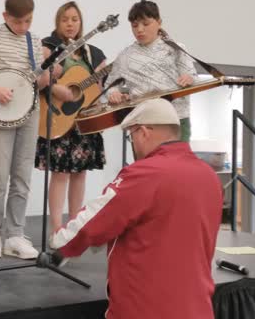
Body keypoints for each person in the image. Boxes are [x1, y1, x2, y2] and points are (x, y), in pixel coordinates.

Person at [52, 98, 223, 318]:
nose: (133, 144)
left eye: (131, 136)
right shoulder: (209, 176)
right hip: (197, 308)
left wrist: (60, 246)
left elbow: (95, 219)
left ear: (143, 132)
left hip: (145, 308)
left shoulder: (145, 173)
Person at [0, 0, 71, 259]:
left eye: (29, 21)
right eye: (18, 22)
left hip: (29, 112)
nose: (23, 27)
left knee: (22, 177)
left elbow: (36, 79)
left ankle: (16, 235)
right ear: (5, 16)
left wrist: (49, 73)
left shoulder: (34, 40)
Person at [34, 1, 107, 245]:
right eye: (65, 19)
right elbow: (40, 79)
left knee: (80, 174)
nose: (70, 23)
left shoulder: (92, 53)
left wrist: (103, 81)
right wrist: (58, 90)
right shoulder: (49, 47)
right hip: (58, 119)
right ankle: (56, 229)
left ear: (81, 22)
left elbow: (97, 89)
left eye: (74, 19)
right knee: (60, 174)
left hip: (83, 121)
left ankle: (74, 226)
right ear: (57, 22)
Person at [105, 1, 197, 142]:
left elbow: (193, 77)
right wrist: (114, 93)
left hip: (176, 119)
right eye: (135, 26)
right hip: (142, 122)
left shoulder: (176, 48)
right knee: (147, 165)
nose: (139, 30)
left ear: (159, 22)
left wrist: (189, 78)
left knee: (175, 163)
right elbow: (110, 85)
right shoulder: (125, 55)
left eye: (146, 24)